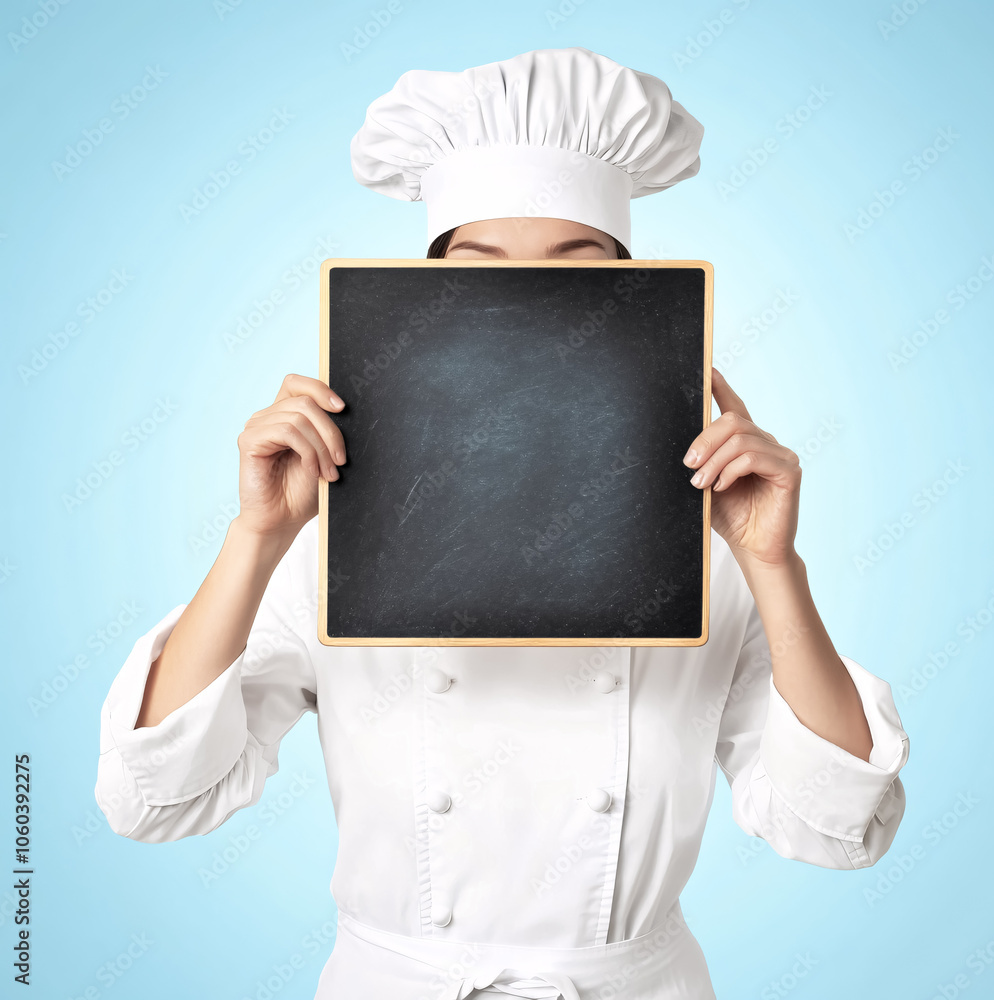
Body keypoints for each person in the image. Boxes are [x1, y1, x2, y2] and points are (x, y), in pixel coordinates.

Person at [94, 47, 910, 1000]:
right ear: (425, 304)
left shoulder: (710, 556)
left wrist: (775, 565)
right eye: (483, 268)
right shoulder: (335, 544)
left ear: (636, 304)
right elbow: (154, 799)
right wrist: (256, 539)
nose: (529, 308)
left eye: (578, 268)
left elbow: (840, 825)